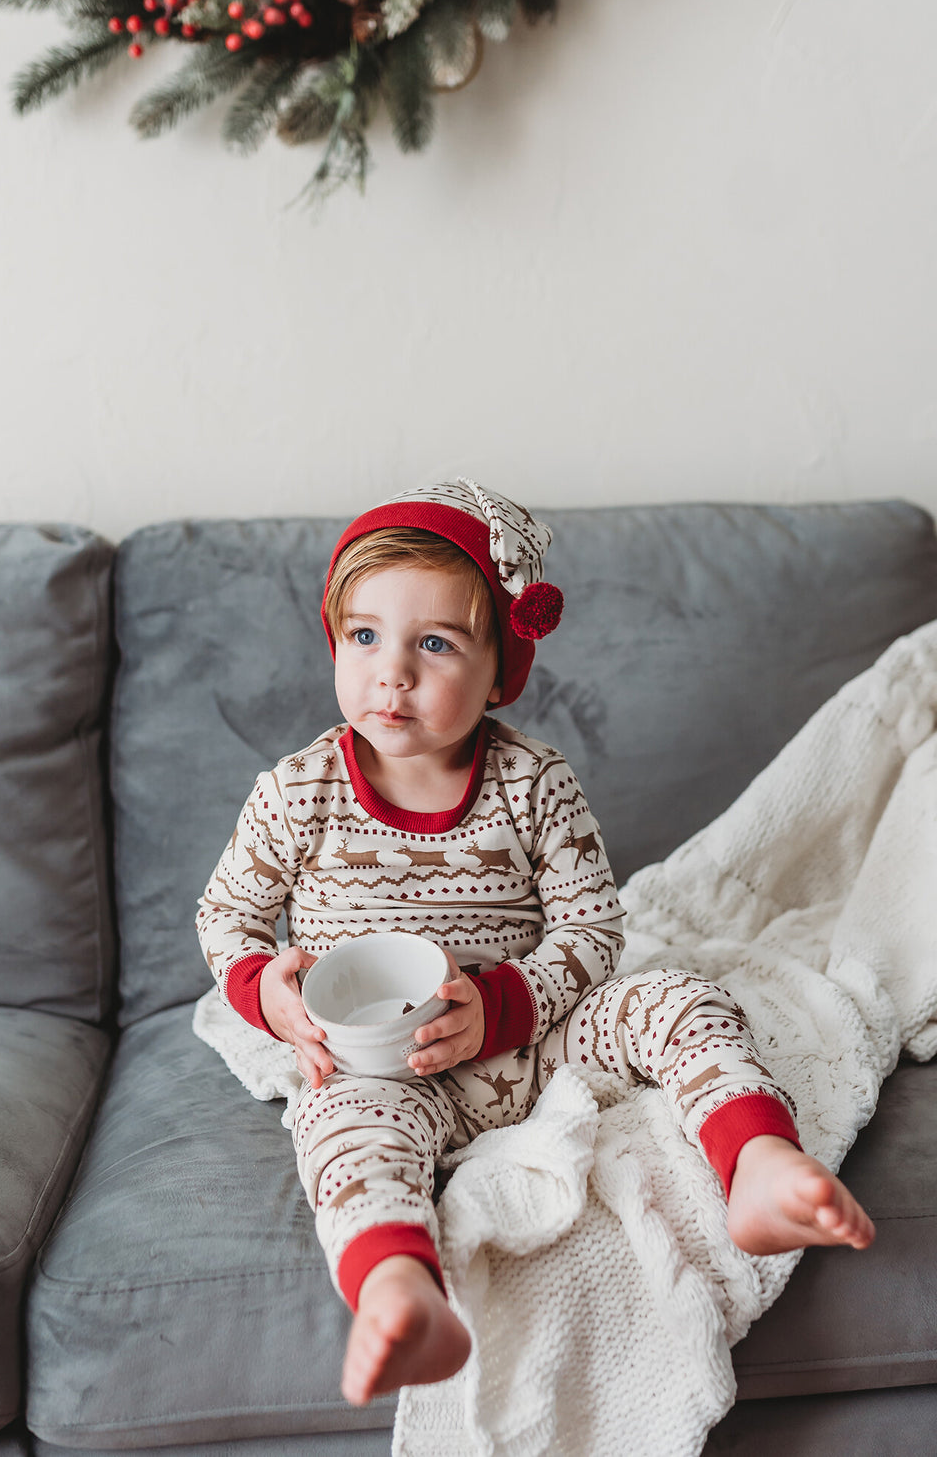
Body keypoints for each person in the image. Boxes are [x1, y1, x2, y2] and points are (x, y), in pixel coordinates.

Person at [197, 478, 874, 1408]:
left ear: (499, 671)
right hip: (379, 1064)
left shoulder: (534, 782)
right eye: (365, 636)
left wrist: (506, 1006)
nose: (391, 671)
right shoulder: (297, 791)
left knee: (675, 997)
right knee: (339, 1128)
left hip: (528, 1039)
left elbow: (594, 929)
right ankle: (399, 1288)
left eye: (434, 645)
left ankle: (756, 1159)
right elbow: (224, 918)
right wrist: (264, 991)